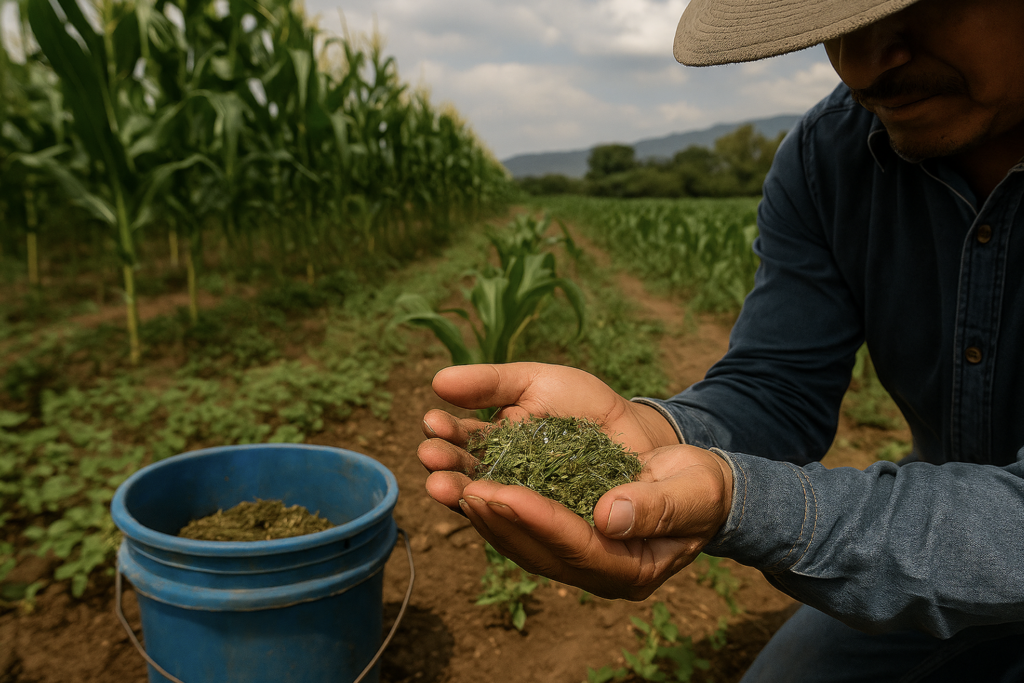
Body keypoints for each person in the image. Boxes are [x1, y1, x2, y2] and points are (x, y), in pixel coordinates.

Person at [417, 0, 1024, 680]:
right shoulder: (829, 157)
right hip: (928, 536)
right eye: (836, 27)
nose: (859, 65)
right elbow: (780, 386)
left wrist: (751, 503)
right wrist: (658, 432)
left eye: (925, 4)